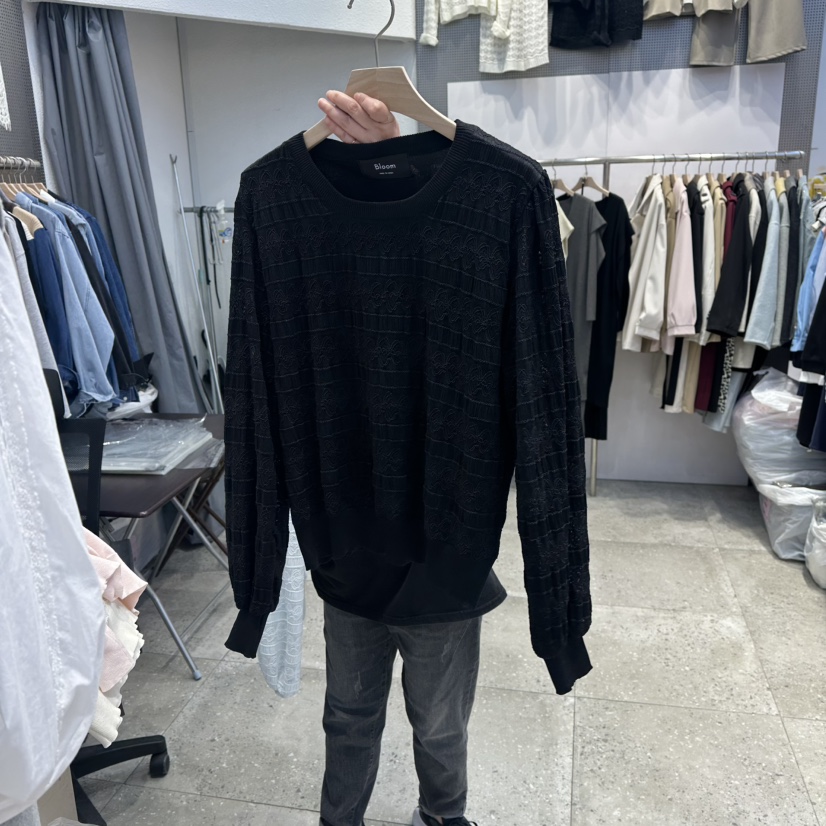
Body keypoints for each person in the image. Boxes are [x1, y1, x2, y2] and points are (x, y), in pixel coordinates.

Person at [314, 89, 483, 826]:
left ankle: (444, 815)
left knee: (439, 723)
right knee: (348, 714)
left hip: (445, 549)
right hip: (350, 545)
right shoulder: (300, 217)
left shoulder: (487, 207)